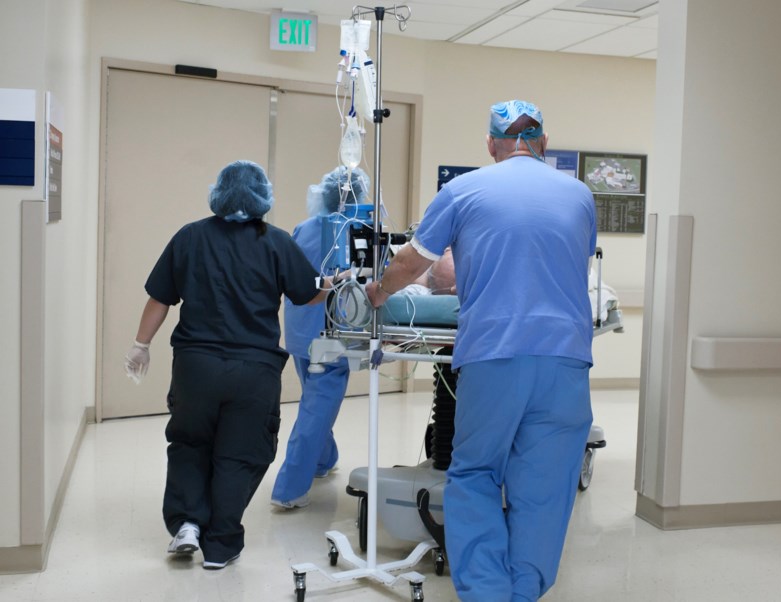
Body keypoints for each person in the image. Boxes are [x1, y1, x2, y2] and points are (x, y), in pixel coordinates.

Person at [365, 100, 597, 601]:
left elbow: (413, 262)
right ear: (544, 143)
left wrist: (379, 291)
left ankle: (488, 593)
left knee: (475, 475)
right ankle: (524, 590)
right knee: (546, 484)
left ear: (491, 145)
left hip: (495, 354)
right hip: (566, 359)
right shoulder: (580, 194)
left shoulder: (464, 189)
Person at [123, 160, 332, 570]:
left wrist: (140, 345)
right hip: (252, 371)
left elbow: (160, 298)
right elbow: (307, 294)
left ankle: (186, 522)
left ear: (217, 193)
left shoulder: (190, 237)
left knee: (189, 443)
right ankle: (220, 544)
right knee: (240, 453)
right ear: (262, 198)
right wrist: (331, 283)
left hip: (195, 368)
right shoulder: (276, 242)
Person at [270, 166, 370, 509]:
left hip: (300, 330)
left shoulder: (305, 227)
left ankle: (324, 460)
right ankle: (289, 489)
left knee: (314, 400)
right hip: (333, 335)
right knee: (315, 409)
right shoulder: (361, 230)